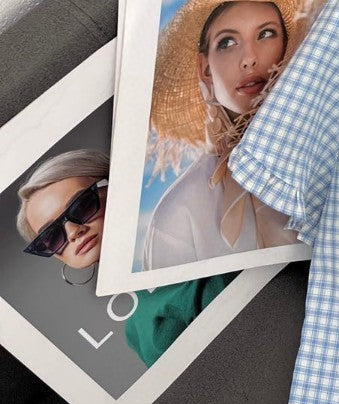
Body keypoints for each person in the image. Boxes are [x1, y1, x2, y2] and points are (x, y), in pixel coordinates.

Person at [141, 0, 323, 271]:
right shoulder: (178, 215)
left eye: (266, 34)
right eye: (227, 42)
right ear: (205, 69)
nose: (249, 58)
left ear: (287, 44)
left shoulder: (336, 137)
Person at [17, 148, 237, 368]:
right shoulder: (135, 330)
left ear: (115, 186)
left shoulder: (197, 231)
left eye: (81, 206)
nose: (73, 232)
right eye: (51, 236)